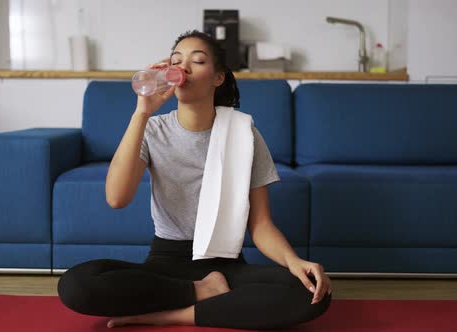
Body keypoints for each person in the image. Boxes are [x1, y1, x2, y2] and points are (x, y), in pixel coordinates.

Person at [57, 30, 332, 330]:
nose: (183, 67)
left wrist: (294, 263)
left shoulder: (244, 133)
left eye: (197, 60)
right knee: (76, 285)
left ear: (218, 78)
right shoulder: (152, 129)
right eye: (177, 60)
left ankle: (170, 314)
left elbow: (261, 225)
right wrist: (142, 111)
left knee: (311, 292)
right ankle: (201, 295)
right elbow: (116, 198)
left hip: (224, 265)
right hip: (165, 263)